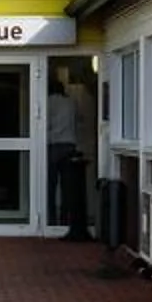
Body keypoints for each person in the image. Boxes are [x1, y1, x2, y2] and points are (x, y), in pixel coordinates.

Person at [47, 73, 90, 239]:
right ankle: (66, 219)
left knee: (50, 185)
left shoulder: (49, 102)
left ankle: (49, 219)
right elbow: (80, 120)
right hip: (69, 145)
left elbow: (43, 123)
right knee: (68, 187)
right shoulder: (71, 102)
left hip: (52, 146)